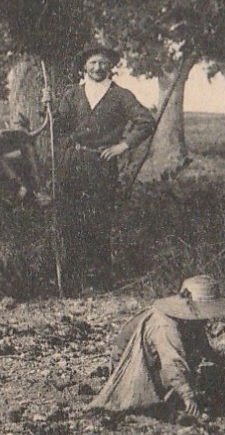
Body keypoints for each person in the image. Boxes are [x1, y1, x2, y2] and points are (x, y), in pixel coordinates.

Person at [48, 45, 155, 293]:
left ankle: (100, 284)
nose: (98, 68)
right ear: (84, 66)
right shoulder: (72, 95)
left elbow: (145, 121)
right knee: (70, 221)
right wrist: (49, 108)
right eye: (93, 63)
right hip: (72, 164)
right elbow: (60, 125)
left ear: (110, 67)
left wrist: (123, 146)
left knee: (98, 222)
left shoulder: (121, 96)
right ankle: (71, 284)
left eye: (103, 63)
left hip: (101, 166)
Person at [90, 275, 225, 416]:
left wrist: (224, 364)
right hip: (132, 367)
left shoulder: (190, 322)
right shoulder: (165, 326)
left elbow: (204, 349)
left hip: (157, 363)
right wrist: (188, 396)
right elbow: (172, 362)